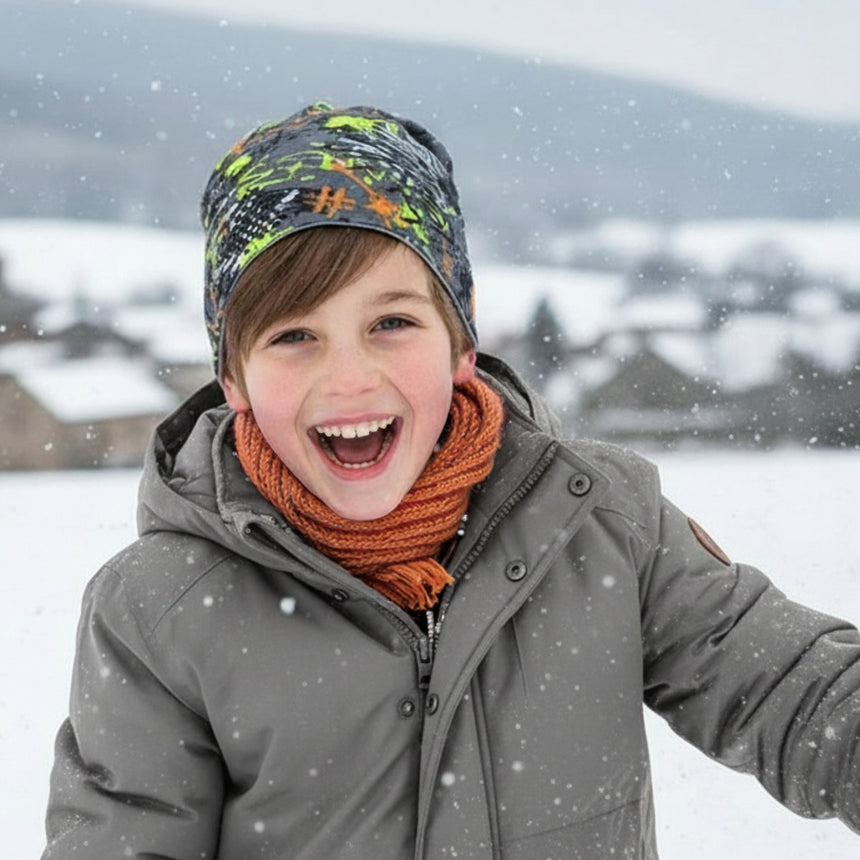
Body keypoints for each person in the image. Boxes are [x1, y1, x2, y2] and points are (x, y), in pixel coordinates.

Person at [42, 102, 860, 860]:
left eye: (391, 323)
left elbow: (800, 695)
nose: (349, 380)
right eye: (294, 335)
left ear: (461, 339)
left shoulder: (601, 523)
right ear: (234, 379)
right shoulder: (158, 609)